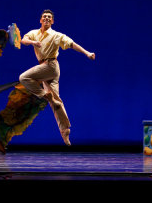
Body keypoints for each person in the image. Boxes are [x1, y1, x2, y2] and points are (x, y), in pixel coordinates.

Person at [19, 9, 96, 145]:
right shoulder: (34, 33)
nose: (47, 18)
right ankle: (65, 130)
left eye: (49, 17)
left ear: (52, 21)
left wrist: (87, 53)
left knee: (23, 78)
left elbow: (72, 44)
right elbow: (23, 40)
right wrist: (33, 43)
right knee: (55, 101)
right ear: (40, 20)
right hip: (45, 69)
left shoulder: (56, 35)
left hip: (50, 66)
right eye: (44, 17)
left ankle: (44, 94)